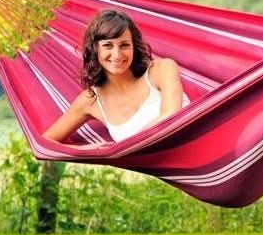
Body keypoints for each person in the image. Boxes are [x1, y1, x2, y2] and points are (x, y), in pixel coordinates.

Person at [42, 9, 188, 144]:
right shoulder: (91, 100)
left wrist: (126, 146)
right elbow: (45, 143)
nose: (117, 55)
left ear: (134, 46)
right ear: (95, 49)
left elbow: (171, 117)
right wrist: (82, 151)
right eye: (108, 46)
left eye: (124, 45)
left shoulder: (162, 69)